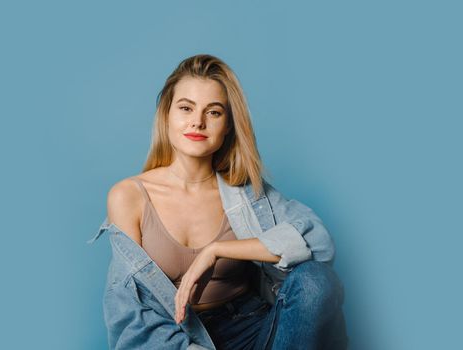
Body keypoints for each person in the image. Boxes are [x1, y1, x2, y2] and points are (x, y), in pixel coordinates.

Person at [100, 54, 348, 349]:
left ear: (229, 124)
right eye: (186, 108)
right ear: (167, 114)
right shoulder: (129, 196)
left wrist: (217, 250)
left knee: (315, 280)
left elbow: (320, 244)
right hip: (178, 339)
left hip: (256, 329)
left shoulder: (244, 191)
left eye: (214, 112)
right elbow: (127, 307)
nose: (198, 121)